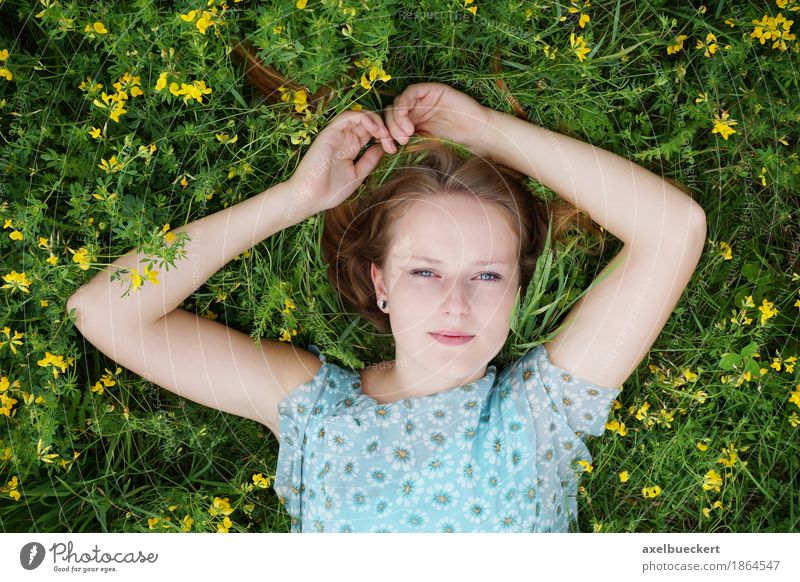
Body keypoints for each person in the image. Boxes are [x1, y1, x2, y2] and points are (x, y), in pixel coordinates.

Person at [66, 82, 707, 533]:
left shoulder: (543, 416)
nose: (457, 304)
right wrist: (295, 199)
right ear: (380, 282)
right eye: (425, 271)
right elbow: (105, 311)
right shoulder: (310, 410)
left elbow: (674, 229)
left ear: (517, 290)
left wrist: (486, 130)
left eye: (487, 274)